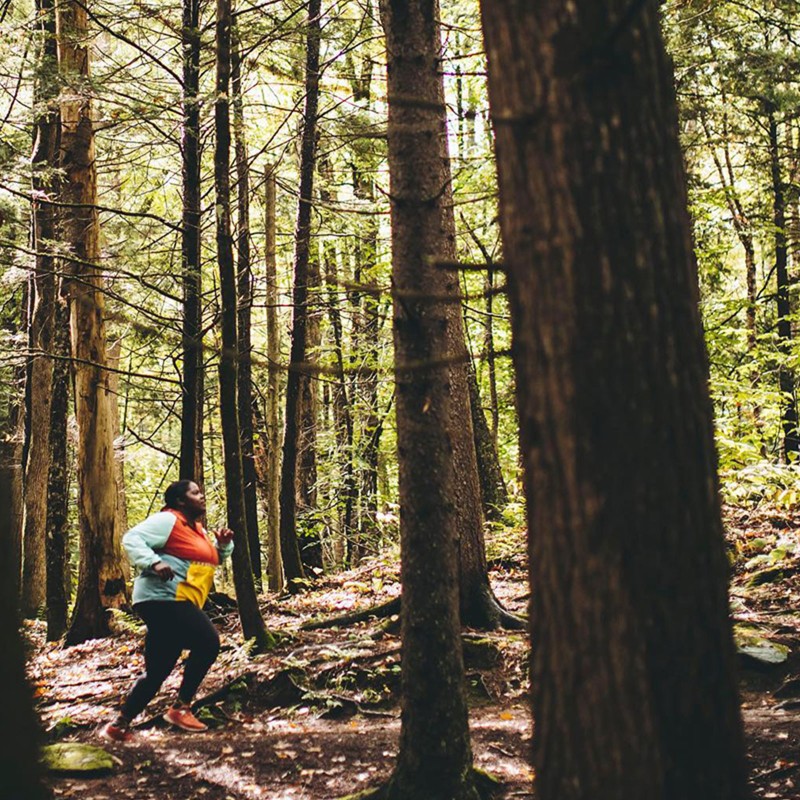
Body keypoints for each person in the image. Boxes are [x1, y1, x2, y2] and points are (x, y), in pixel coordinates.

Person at [100, 479, 234, 743]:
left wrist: (223, 545)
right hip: (163, 599)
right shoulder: (168, 521)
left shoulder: (197, 530)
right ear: (180, 501)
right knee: (208, 642)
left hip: (176, 600)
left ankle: (119, 725)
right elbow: (132, 538)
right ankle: (181, 708)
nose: (202, 496)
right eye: (195, 493)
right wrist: (154, 562)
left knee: (158, 671)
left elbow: (214, 559)